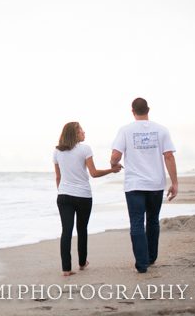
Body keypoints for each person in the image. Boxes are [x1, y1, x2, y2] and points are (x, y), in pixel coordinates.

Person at [110, 97, 178, 274]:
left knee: (137, 223)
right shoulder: (162, 130)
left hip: (134, 185)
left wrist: (113, 164)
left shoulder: (125, 130)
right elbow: (169, 156)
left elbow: (116, 155)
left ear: (132, 111)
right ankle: (151, 257)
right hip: (156, 184)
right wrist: (175, 182)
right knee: (153, 220)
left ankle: (142, 264)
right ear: (148, 110)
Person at [53, 122, 121, 276]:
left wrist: (63, 191)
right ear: (75, 133)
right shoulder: (85, 149)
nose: (84, 132)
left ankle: (66, 269)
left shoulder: (57, 151)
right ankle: (82, 263)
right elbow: (94, 173)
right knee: (82, 229)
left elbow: (58, 177)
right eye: (81, 130)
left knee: (66, 231)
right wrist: (112, 169)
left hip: (63, 196)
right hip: (83, 196)